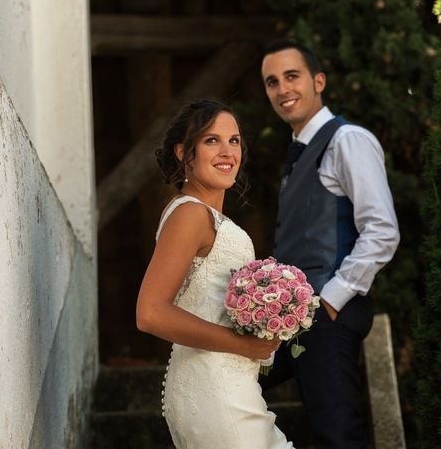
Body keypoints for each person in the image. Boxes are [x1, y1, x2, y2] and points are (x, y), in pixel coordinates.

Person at [259, 39, 400, 448]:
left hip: (328, 314)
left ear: (318, 81)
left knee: (338, 438)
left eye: (292, 76)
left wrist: (332, 299)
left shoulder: (348, 140)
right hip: (295, 320)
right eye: (272, 82)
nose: (282, 89)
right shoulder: (297, 153)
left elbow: (382, 229)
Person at [136, 99, 294, 449]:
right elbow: (150, 313)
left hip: (235, 387)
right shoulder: (190, 214)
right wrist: (246, 344)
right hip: (215, 392)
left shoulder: (209, 217)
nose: (227, 151)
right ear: (182, 152)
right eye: (211, 141)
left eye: (234, 140)